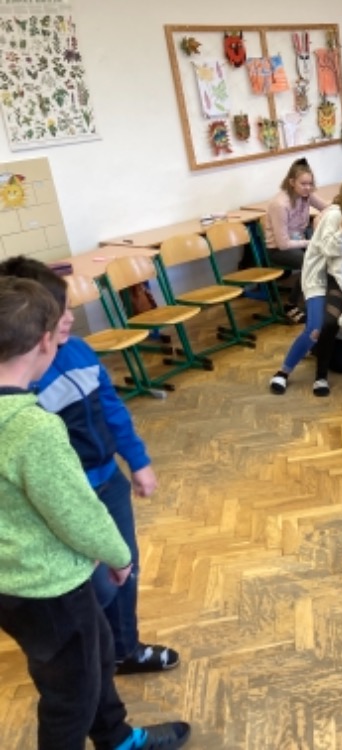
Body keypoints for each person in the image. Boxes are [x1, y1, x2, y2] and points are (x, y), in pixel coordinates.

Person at [0, 276, 191, 750]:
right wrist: (119, 556)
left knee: (96, 654)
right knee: (71, 696)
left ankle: (116, 737)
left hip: (15, 584)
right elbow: (76, 514)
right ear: (45, 342)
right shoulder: (32, 428)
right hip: (47, 587)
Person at [269, 177, 342, 397]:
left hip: (338, 278)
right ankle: (284, 372)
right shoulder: (335, 215)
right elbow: (332, 253)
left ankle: (335, 342)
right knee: (316, 327)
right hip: (319, 278)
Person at [262, 158, 330, 321]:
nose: (308, 188)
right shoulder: (280, 204)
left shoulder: (306, 195)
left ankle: (319, 300)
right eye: (303, 184)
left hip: (299, 241)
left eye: (310, 184)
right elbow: (283, 244)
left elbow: (328, 208)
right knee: (310, 262)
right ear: (292, 182)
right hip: (278, 249)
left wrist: (322, 216)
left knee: (327, 255)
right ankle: (292, 304)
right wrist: (311, 243)